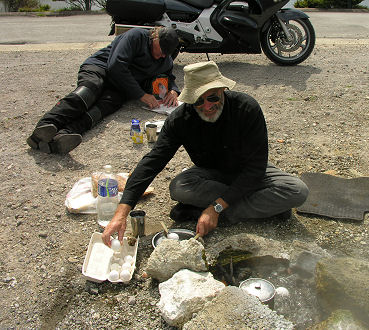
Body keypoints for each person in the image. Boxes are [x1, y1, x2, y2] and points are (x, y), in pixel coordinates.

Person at [102, 61, 309, 246]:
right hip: (211, 174)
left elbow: (256, 169)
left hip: (248, 173)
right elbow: (153, 161)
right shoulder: (180, 120)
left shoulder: (246, 109)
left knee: (297, 191)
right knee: (178, 187)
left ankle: (205, 212)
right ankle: (265, 209)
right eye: (198, 101)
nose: (207, 106)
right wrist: (121, 213)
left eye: (212, 97)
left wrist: (215, 208)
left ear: (222, 89)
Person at [26, 26, 180, 154]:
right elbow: (116, 66)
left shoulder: (164, 58)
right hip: (100, 68)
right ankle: (45, 127)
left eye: (165, 54)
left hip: (120, 86)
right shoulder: (136, 36)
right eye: (159, 50)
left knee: (102, 108)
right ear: (155, 37)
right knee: (89, 92)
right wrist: (141, 95)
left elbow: (167, 76)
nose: (160, 56)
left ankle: (62, 136)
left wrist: (173, 91)